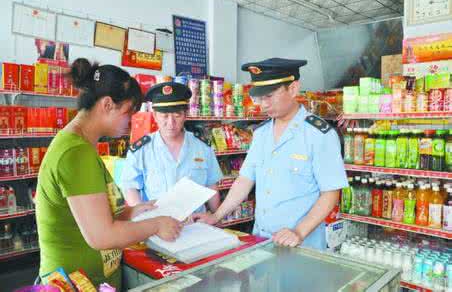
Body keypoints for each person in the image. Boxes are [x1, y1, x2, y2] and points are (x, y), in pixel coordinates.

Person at [36, 58, 182, 288]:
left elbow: (92, 215)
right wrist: (156, 224)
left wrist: (131, 212)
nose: (131, 121)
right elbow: (101, 236)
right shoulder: (76, 152)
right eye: (127, 112)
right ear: (106, 105)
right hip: (76, 284)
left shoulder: (82, 145)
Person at [194, 58, 348, 249]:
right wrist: (216, 216)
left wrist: (299, 232)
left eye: (269, 96)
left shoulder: (319, 134)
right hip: (261, 239)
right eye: (259, 98)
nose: (262, 104)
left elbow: (331, 193)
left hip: (301, 244)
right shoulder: (261, 133)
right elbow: (244, 180)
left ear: (293, 89)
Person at [121, 82, 222, 214]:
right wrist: (143, 216)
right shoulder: (141, 150)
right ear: (155, 116)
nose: (170, 123)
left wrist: (216, 218)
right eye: (165, 116)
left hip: (195, 225)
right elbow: (130, 187)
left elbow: (211, 185)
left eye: (176, 115)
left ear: (185, 115)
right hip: (157, 226)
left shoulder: (202, 147)